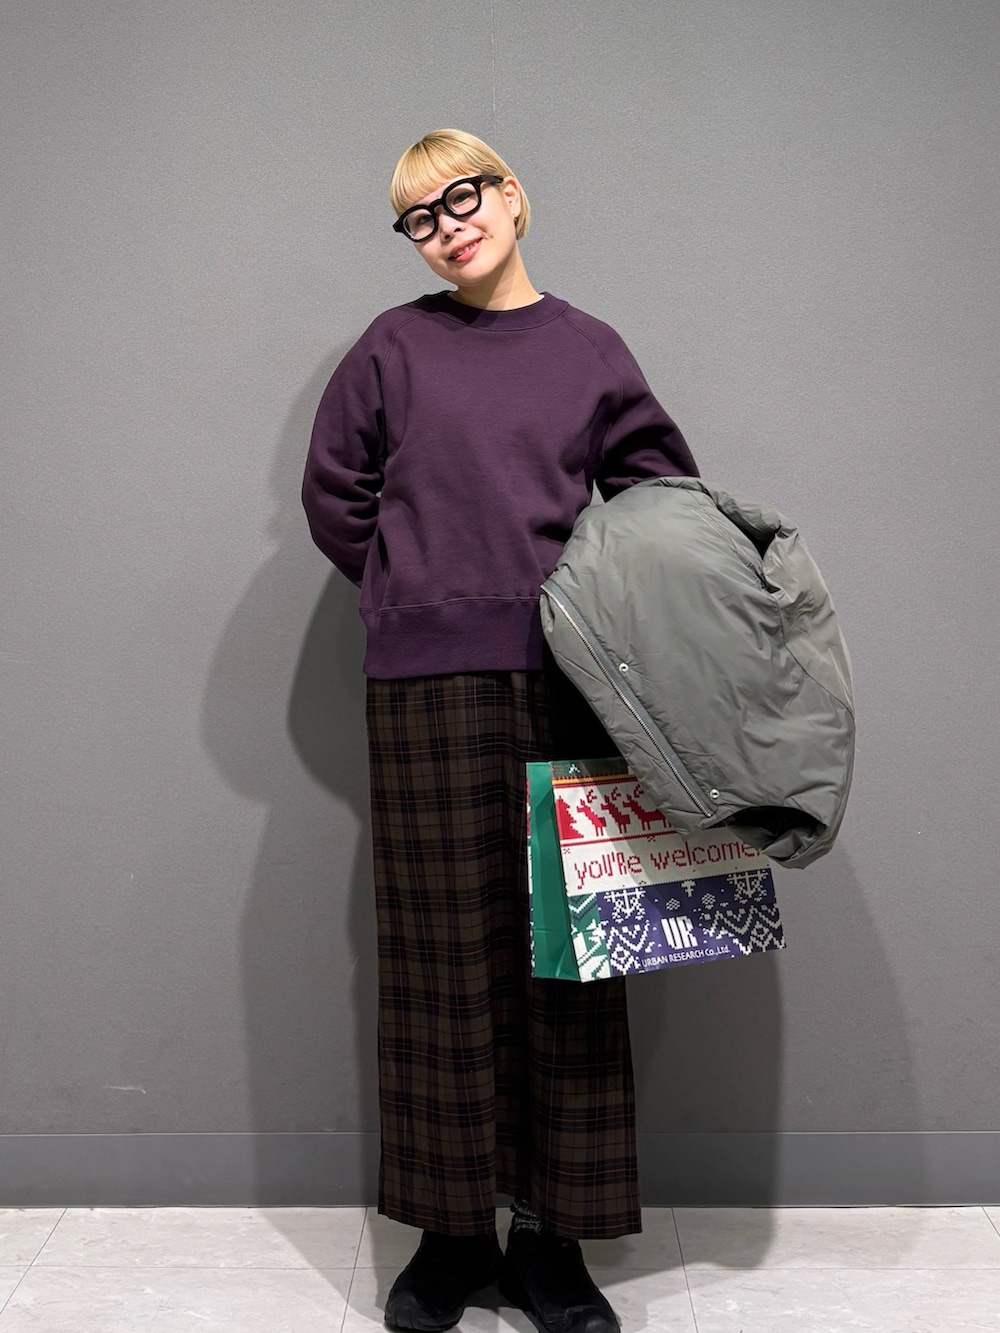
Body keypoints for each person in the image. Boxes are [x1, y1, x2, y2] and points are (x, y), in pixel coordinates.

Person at [302, 129, 698, 1333]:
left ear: (513, 197)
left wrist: (589, 611)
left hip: (570, 684)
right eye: (419, 217)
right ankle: (452, 1234)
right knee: (440, 961)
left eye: (462, 197)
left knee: (568, 959)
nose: (447, 226)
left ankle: (554, 1241)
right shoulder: (391, 348)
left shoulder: (588, 349)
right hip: (422, 686)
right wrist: (415, 589)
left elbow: (660, 501)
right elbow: (335, 493)